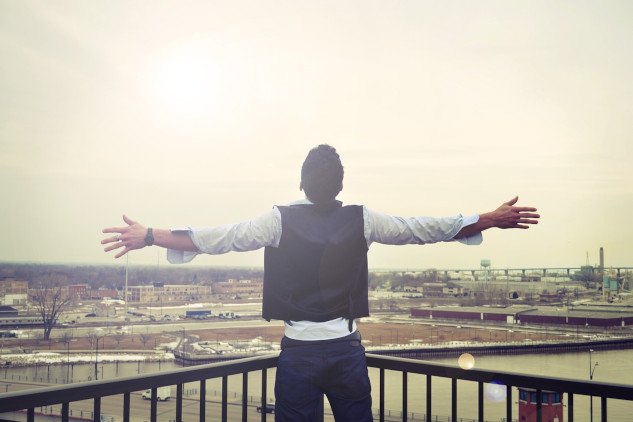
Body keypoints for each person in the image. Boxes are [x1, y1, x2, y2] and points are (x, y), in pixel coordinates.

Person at [102, 144, 539, 421]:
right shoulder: (363, 219)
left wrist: (148, 235)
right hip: (347, 352)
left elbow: (218, 238)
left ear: (301, 184)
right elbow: (423, 228)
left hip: (299, 354)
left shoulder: (277, 221)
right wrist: (490, 220)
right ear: (341, 186)